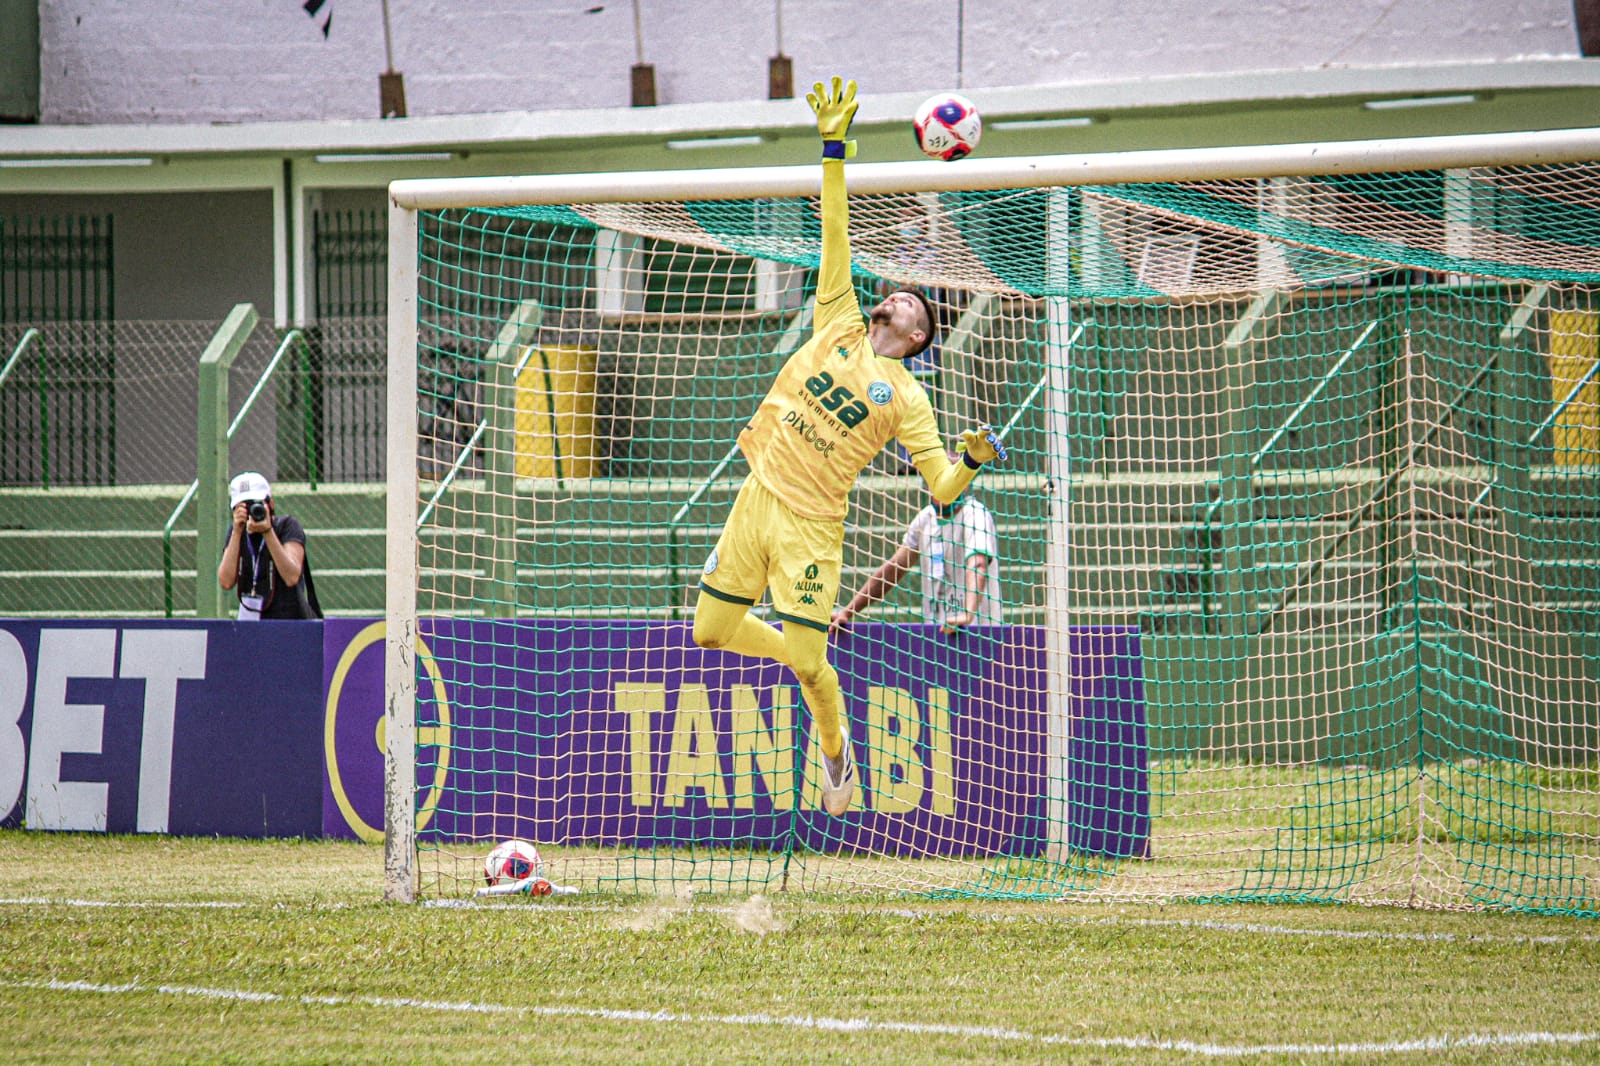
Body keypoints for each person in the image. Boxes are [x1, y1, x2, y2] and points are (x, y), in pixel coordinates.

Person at [692, 77, 1006, 816]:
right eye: (894, 292)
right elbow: (836, 228)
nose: (894, 294)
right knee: (708, 629)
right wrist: (833, 147)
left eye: (909, 301)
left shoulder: (909, 396)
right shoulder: (836, 314)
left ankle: (835, 758)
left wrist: (970, 461)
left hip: (811, 525)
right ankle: (805, 658)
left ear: (919, 334)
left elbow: (940, 492)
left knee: (807, 661)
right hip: (757, 494)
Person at [830, 484, 1002, 635]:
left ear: (963, 484)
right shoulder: (925, 518)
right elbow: (893, 569)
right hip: (938, 633)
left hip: (979, 633)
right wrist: (848, 611)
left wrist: (968, 613)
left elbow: (977, 563)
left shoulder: (974, 514)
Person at [217, 471, 322, 620]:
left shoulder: (287, 526)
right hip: (251, 622)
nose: (252, 511)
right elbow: (226, 582)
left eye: (256, 504)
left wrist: (268, 532)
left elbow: (291, 576)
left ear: (270, 504)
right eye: (244, 507)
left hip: (289, 621)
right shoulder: (236, 533)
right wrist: (236, 532)